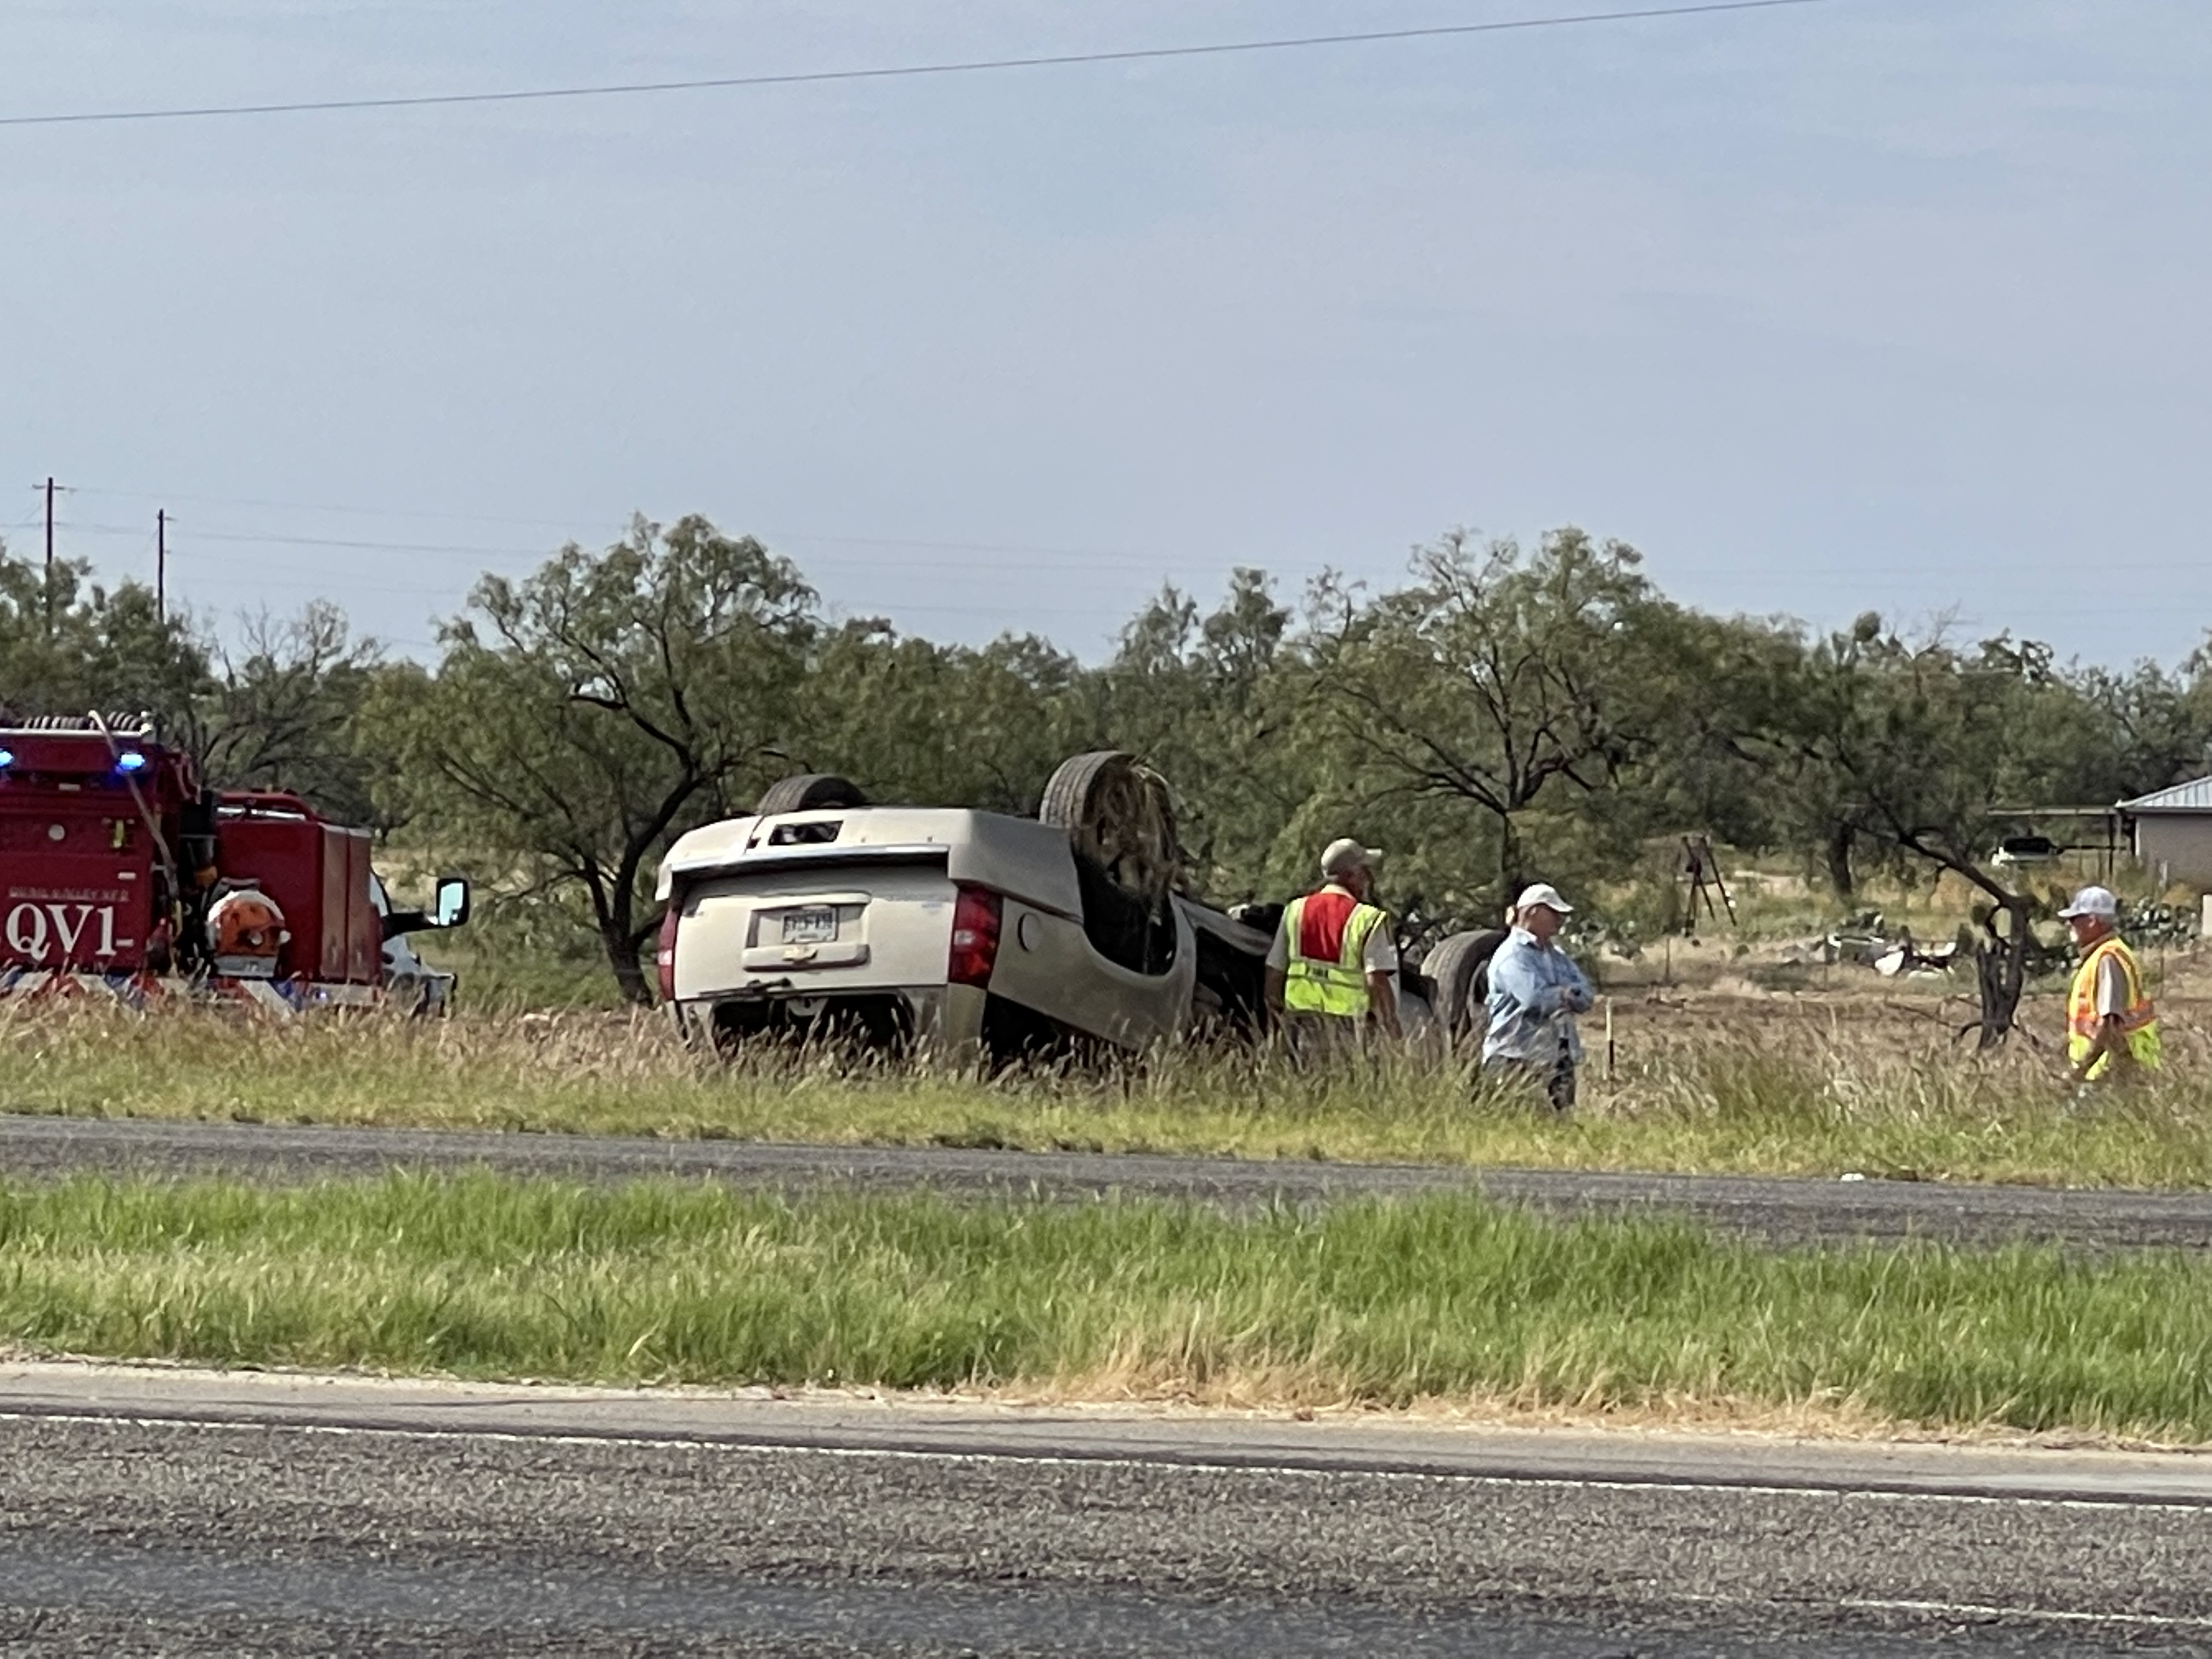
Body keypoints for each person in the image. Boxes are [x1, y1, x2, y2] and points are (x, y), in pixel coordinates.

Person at [1265, 839, 1403, 1052]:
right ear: (1350, 876)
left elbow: (1274, 972)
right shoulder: (1366, 919)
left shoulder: (1295, 911)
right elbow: (1376, 979)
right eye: (1364, 871)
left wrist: (1276, 1027)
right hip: (1350, 1031)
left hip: (1301, 1028)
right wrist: (1391, 1027)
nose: (1368, 879)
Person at [1481, 882, 1595, 1113]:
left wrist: (1564, 994)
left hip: (1557, 1053)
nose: (1560, 920)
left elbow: (1586, 995)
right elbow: (1535, 999)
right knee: (1515, 1124)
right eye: (1554, 913)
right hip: (1514, 1056)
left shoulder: (1557, 955)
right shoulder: (1511, 956)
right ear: (1533, 912)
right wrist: (1564, 992)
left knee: (1562, 1123)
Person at [2058, 885, 2159, 1085]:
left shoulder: (2107, 958)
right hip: (2108, 1072)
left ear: (2093, 921)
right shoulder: (2105, 955)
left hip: (2107, 1075)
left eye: (2075, 919)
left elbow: (2109, 1024)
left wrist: (2081, 1070)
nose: (2069, 924)